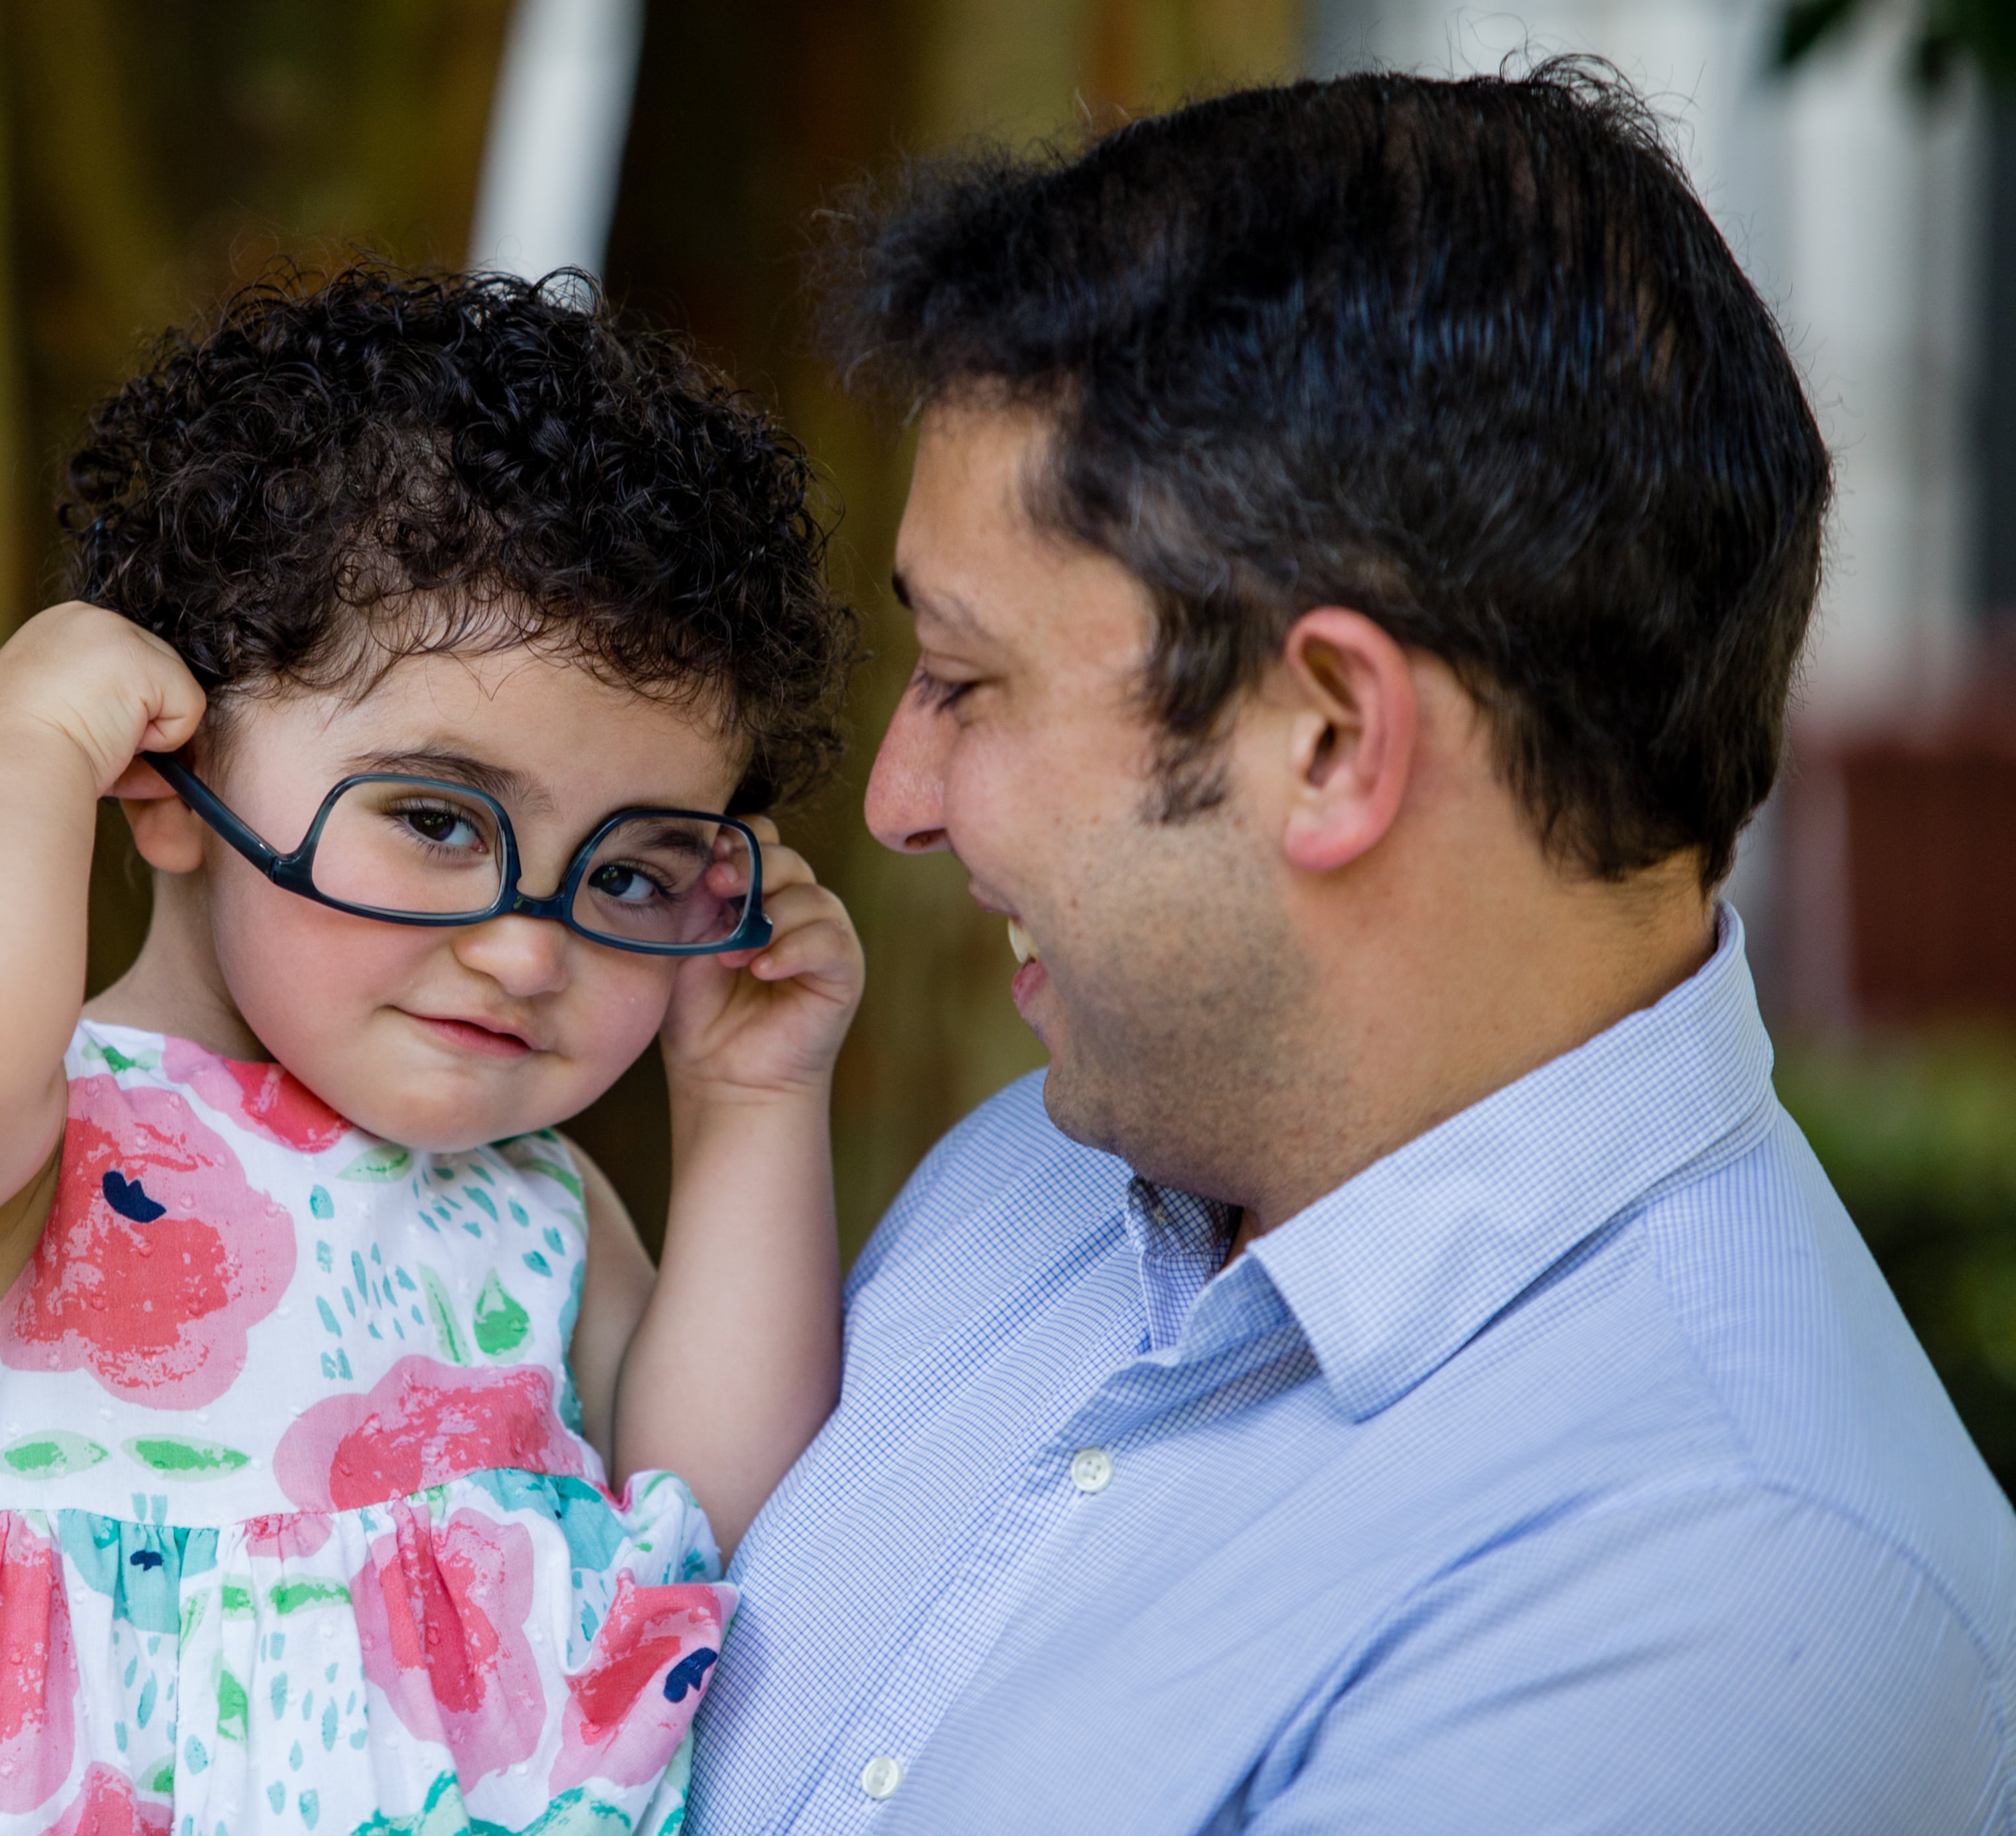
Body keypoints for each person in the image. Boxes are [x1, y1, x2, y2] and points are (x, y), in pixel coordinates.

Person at [691, 62, 2016, 1833]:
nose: (901, 802)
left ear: (1329, 739)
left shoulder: (1732, 1585)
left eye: (966, 682)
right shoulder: (1034, 1170)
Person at [0, 269, 863, 1836]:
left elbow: (719, 1521)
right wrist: (24, 730)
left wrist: (751, 1101)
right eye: (434, 817)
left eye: (625, 873)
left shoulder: (532, 1205)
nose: (530, 945)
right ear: (164, 772)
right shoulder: (41, 1142)